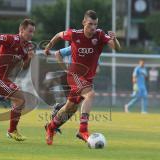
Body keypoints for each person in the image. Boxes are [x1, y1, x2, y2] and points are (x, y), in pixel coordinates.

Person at [44, 10, 121, 145]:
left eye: (95, 24)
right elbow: (58, 35)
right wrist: (49, 46)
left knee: (70, 108)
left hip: (87, 78)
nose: (93, 27)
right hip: (75, 75)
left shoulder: (100, 35)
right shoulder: (74, 34)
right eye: (90, 24)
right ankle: (82, 130)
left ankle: (50, 128)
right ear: (83, 22)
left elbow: (117, 49)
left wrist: (114, 39)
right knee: (90, 95)